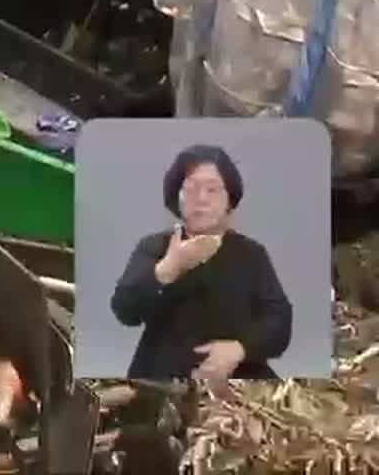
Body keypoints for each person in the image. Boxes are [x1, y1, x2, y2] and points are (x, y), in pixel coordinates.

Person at [109, 143, 293, 382]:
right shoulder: (156, 247)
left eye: (213, 189)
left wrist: (240, 349)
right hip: (162, 380)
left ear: (230, 200)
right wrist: (169, 268)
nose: (201, 199)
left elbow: (279, 322)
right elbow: (125, 311)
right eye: (191, 189)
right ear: (176, 197)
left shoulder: (252, 254)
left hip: (239, 378)